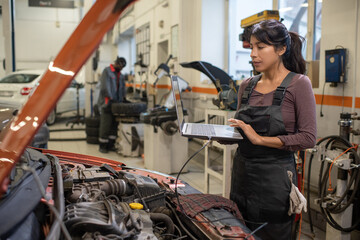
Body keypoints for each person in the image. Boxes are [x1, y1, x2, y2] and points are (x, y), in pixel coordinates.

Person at [226, 20, 317, 239]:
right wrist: (224, 135)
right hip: (241, 175)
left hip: (274, 181)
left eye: (261, 47)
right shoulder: (246, 86)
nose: (253, 54)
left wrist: (260, 139)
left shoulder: (299, 84)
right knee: (239, 230)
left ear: (281, 49)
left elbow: (308, 138)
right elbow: (244, 133)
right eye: (251, 47)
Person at [97, 56, 127, 153]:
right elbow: (104, 87)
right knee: (106, 124)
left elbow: (122, 88)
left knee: (114, 125)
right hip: (107, 103)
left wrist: (123, 99)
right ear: (117, 63)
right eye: (120, 66)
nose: (121, 69)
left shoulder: (120, 75)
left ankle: (111, 145)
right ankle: (103, 146)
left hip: (117, 104)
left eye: (122, 68)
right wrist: (110, 97)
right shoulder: (107, 71)